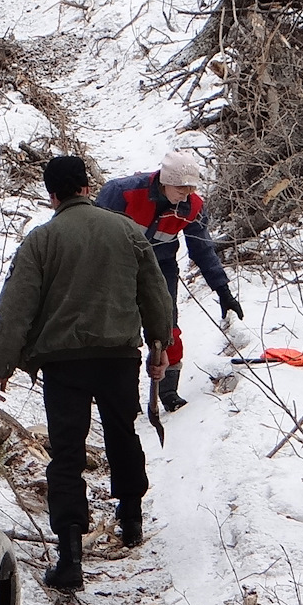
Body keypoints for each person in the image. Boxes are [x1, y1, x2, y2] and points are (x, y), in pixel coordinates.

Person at [0, 156, 174, 590]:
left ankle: (69, 555)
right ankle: (131, 519)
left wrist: (2, 364)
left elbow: (17, 306)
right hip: (119, 356)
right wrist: (159, 344)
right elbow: (155, 293)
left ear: (52, 195)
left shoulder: (41, 240)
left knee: (67, 453)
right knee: (122, 433)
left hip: (63, 363)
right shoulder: (126, 230)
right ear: (87, 186)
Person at [95, 148, 243, 412]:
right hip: (117, 266)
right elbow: (90, 232)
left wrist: (223, 290)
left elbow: (202, 248)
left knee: (167, 325)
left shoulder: (192, 206)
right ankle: (120, 393)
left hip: (161, 267)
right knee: (118, 327)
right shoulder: (122, 193)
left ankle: (168, 392)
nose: (185, 194)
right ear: (164, 181)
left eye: (190, 189)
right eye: (180, 188)